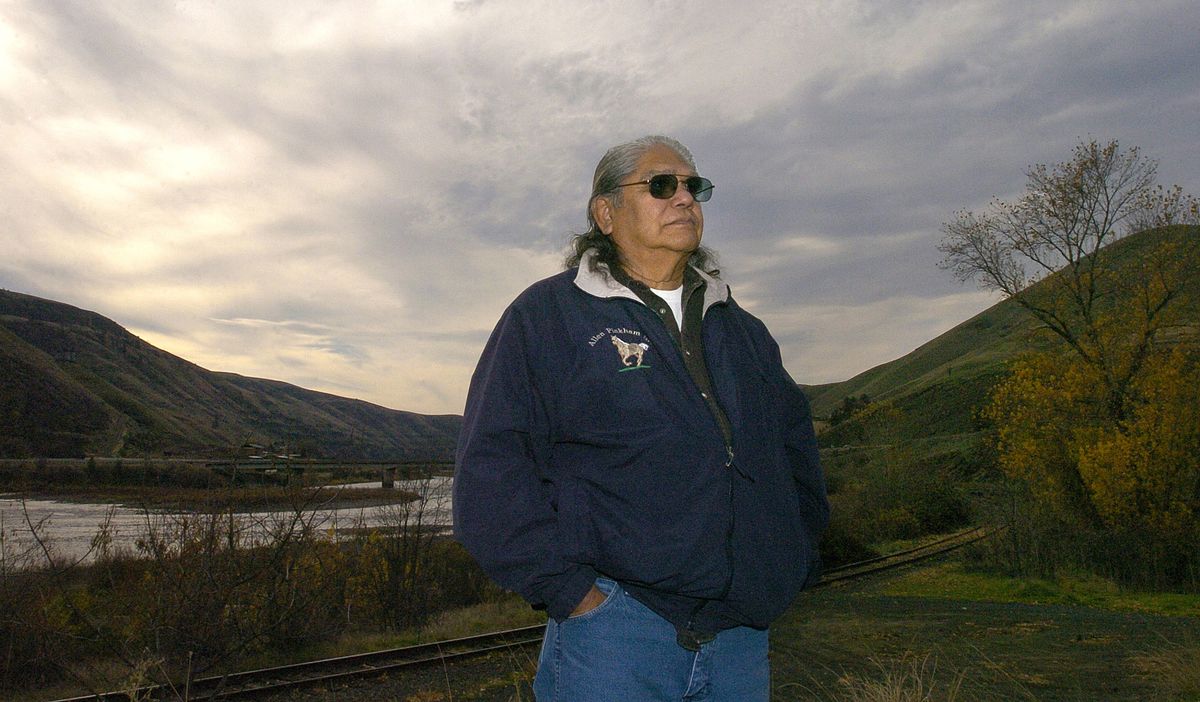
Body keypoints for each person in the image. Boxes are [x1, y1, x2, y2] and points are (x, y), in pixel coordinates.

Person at [453, 135, 828, 701]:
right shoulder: (547, 317)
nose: (684, 199)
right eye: (661, 185)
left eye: (693, 186)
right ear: (606, 213)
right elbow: (492, 467)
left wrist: (789, 561)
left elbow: (795, 451)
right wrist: (571, 592)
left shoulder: (742, 330)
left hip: (741, 639)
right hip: (616, 635)